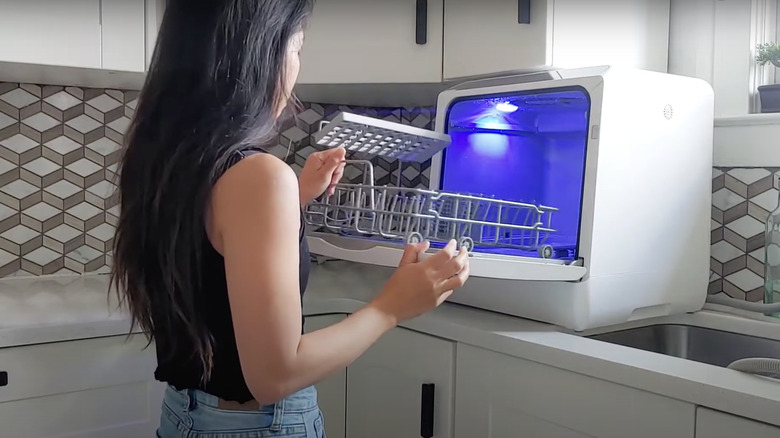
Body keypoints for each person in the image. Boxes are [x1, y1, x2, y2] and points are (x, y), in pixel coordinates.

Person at [110, 1, 471, 437]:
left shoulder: (163, 161)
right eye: (297, 48)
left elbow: (209, 255)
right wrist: (391, 306)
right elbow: (275, 375)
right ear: (265, 53)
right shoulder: (257, 176)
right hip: (255, 425)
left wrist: (294, 200)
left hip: (184, 416)